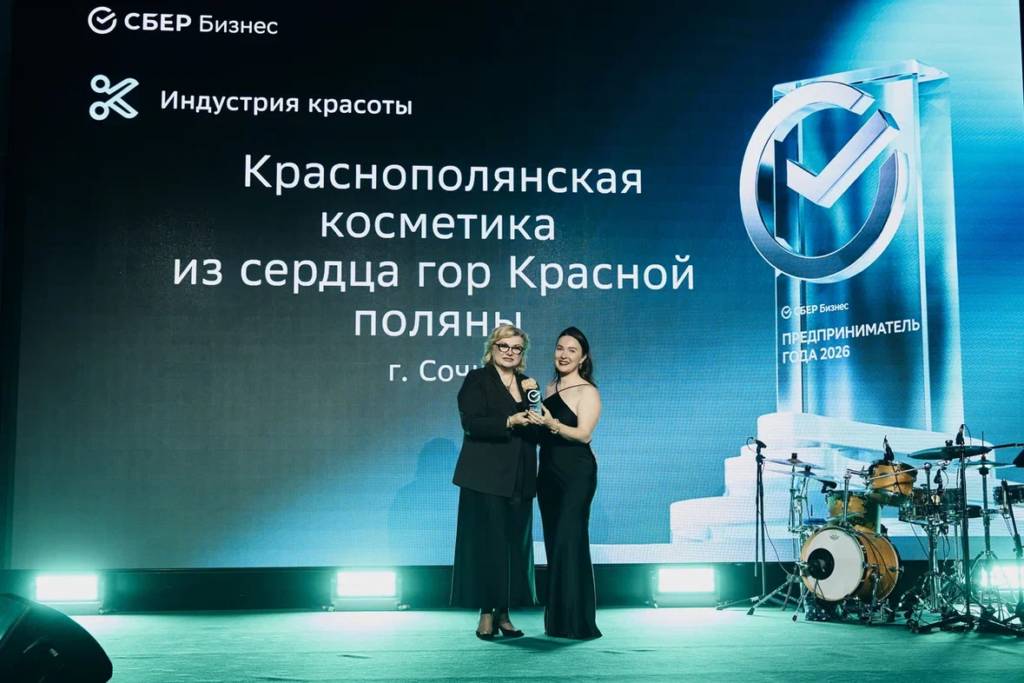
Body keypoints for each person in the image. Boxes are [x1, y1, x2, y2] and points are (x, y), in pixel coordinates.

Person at [451, 324, 539, 639]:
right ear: (493, 347)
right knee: (488, 548)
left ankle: (505, 613)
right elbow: (472, 423)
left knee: (513, 548)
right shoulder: (477, 379)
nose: (510, 352)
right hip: (485, 477)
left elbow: (537, 425)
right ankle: (486, 613)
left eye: (516, 348)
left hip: (520, 477)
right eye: (504, 346)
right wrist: (509, 421)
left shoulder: (528, 384)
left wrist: (538, 413)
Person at [527, 327, 603, 639]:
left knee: (571, 541)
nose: (564, 355)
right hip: (548, 473)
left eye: (572, 350)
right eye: (560, 348)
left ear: (583, 358)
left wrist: (552, 424)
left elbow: (584, 434)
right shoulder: (548, 387)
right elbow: (543, 433)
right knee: (555, 543)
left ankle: (578, 622)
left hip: (576, 475)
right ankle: (558, 622)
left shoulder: (588, 391)